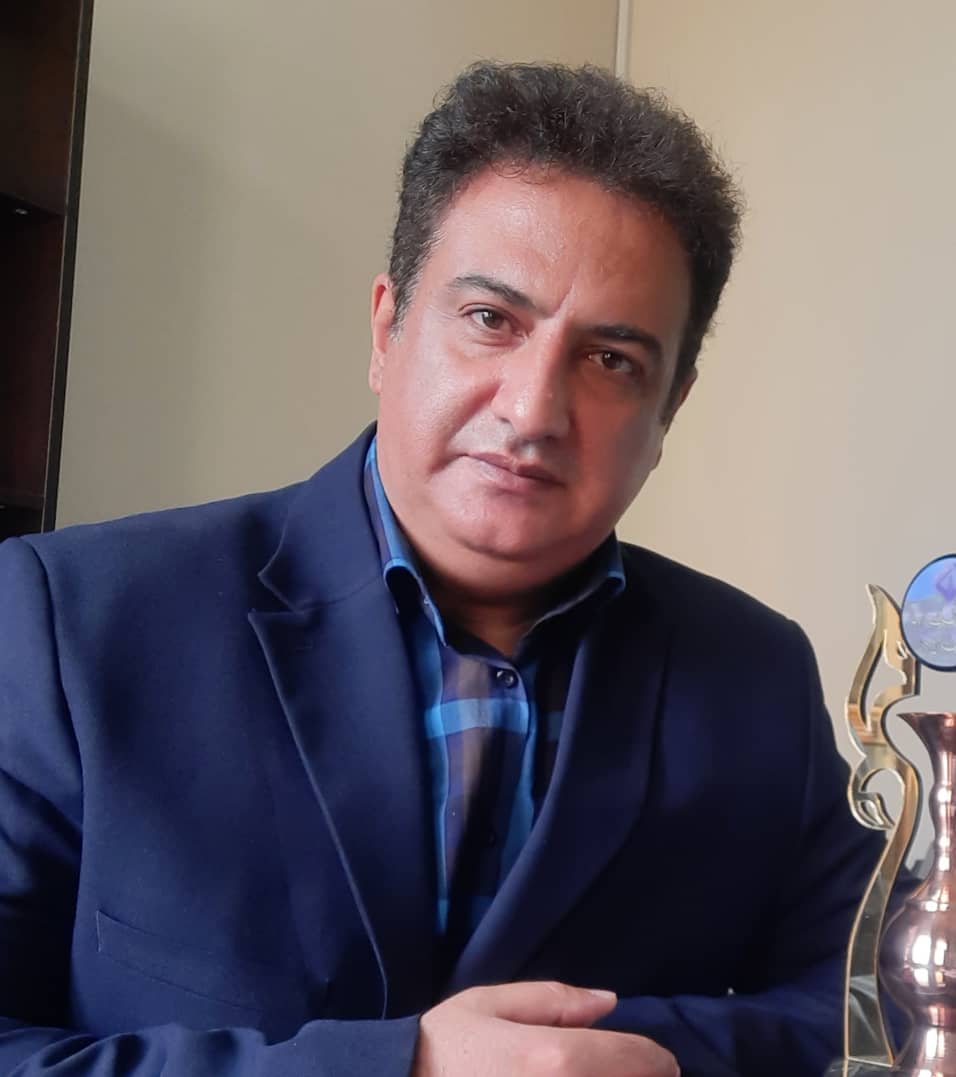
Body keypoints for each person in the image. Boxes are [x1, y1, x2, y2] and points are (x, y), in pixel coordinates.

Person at [0, 62, 878, 1076]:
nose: (532, 410)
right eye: (490, 320)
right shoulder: (73, 621)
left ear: (669, 408)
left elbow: (873, 1002)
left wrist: (624, 1055)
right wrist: (400, 1064)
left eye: (610, 360)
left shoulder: (754, 675)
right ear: (387, 328)